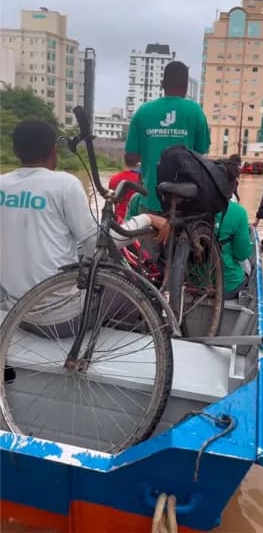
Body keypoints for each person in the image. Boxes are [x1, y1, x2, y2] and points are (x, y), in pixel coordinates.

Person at [0, 119, 170, 334]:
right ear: (54, 151)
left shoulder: (2, 184)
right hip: (61, 320)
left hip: (18, 315)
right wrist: (146, 219)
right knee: (131, 288)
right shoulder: (64, 184)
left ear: (15, 151)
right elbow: (96, 245)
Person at [125, 60, 211, 214]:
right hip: (185, 202)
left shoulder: (143, 111)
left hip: (150, 199)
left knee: (147, 237)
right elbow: (201, 153)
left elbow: (130, 158)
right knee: (185, 237)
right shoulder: (196, 112)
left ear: (162, 84)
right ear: (186, 86)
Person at [213, 159, 253, 299]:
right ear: (232, 184)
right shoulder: (238, 212)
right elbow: (241, 254)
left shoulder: (191, 208)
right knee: (247, 271)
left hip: (193, 284)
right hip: (227, 285)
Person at [107, 153, 142, 223]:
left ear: (124, 161)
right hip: (136, 221)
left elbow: (112, 199)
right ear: (139, 161)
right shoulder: (142, 179)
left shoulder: (114, 178)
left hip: (118, 221)